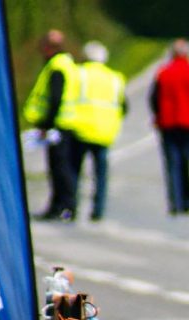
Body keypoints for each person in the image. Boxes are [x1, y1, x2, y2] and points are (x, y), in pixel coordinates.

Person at [150, 39, 189, 216]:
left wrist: (156, 115)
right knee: (186, 162)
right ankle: (187, 201)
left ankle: (175, 202)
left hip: (168, 123)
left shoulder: (163, 73)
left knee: (172, 163)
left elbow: (154, 97)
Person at [23, 30, 80, 222]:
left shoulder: (57, 67)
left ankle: (65, 206)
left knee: (59, 168)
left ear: (48, 48)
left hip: (58, 125)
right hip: (65, 123)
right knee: (60, 167)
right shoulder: (68, 64)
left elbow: (56, 98)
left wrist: (46, 124)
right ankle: (59, 205)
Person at [70, 41, 127, 222]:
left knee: (74, 171)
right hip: (104, 131)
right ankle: (98, 210)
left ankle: (72, 206)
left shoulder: (79, 74)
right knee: (100, 174)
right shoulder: (115, 78)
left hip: (80, 128)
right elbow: (123, 105)